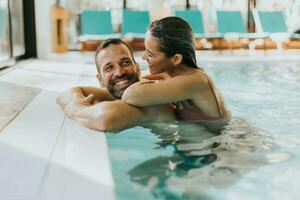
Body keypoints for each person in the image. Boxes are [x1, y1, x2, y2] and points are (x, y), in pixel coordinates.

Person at [122, 16, 231, 126]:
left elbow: (130, 96)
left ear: (176, 59)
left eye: (150, 54)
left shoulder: (196, 81)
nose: (143, 57)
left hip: (222, 140)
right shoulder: (175, 76)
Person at [56, 38, 176, 132]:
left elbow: (104, 118)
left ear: (137, 68)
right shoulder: (118, 92)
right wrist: (77, 99)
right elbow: (66, 94)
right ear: (100, 80)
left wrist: (75, 109)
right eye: (109, 68)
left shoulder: (149, 94)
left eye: (125, 62)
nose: (119, 72)